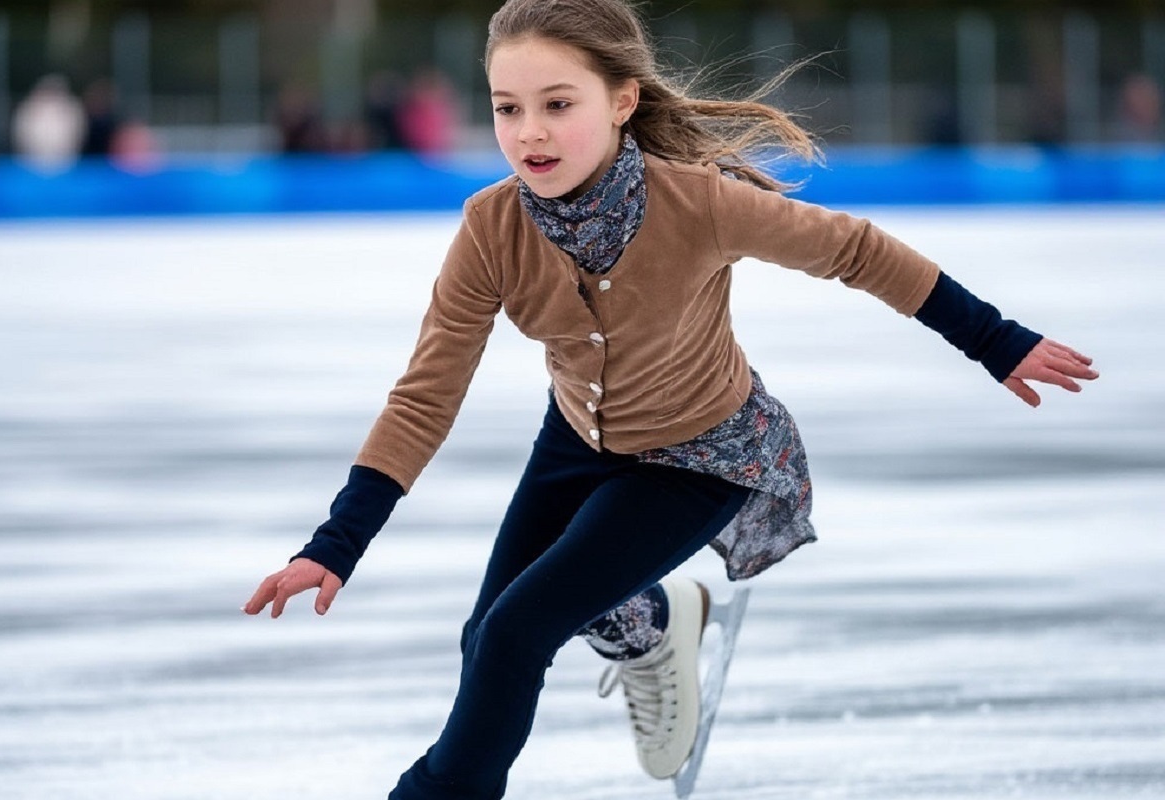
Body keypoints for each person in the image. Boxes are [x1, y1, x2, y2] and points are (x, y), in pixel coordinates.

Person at [244, 1, 1099, 797]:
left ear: (621, 102)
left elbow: (856, 249)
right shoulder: (491, 228)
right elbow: (426, 394)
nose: (528, 133)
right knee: (487, 640)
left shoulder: (698, 203)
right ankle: (653, 624)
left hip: (703, 453)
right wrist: (337, 542)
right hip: (578, 443)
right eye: (508, 109)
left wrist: (996, 341)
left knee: (514, 634)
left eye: (556, 104)